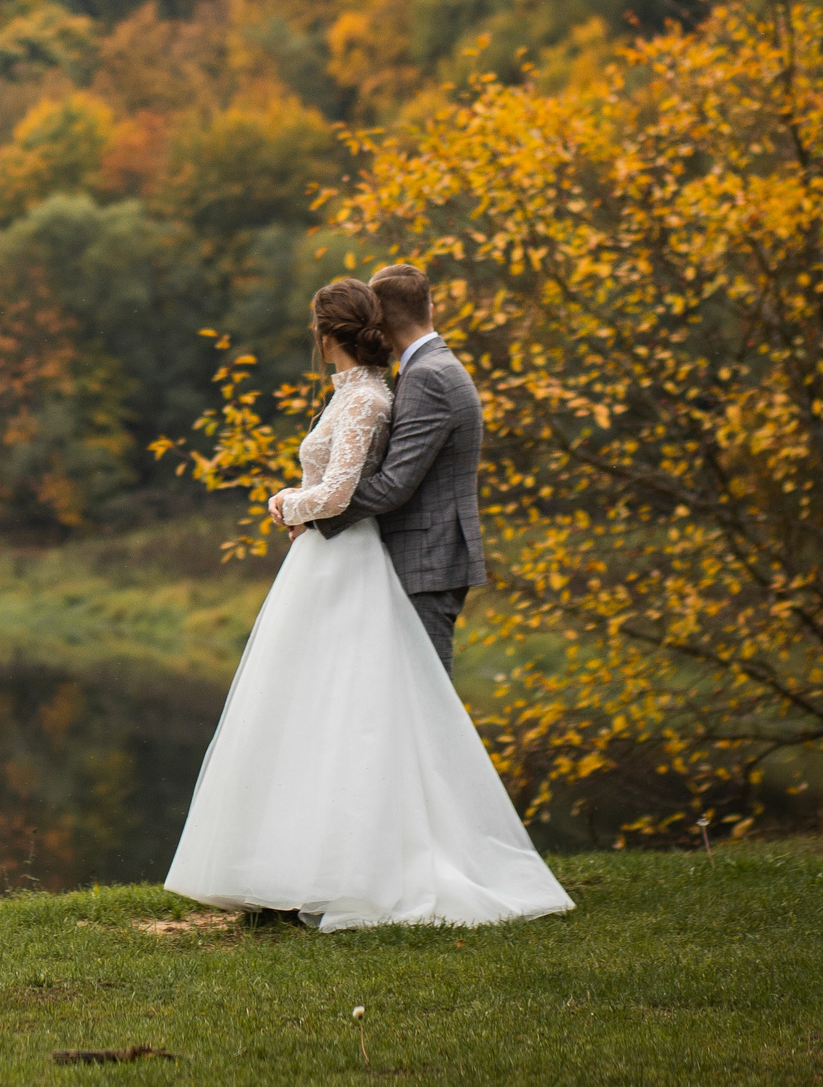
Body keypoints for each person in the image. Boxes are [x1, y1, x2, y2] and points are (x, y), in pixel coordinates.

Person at [160, 275, 569, 931]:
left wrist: (294, 507)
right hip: (368, 561)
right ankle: (320, 861)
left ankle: (409, 863)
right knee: (342, 714)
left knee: (408, 722)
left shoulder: (414, 382)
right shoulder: (407, 378)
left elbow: (385, 484)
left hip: (405, 558)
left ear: (331, 333)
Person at [312, 263, 483, 678]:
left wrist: (314, 511)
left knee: (424, 698)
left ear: (381, 319)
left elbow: (393, 486)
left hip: (425, 559)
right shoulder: (433, 367)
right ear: (430, 305)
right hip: (427, 556)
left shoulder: (428, 376)